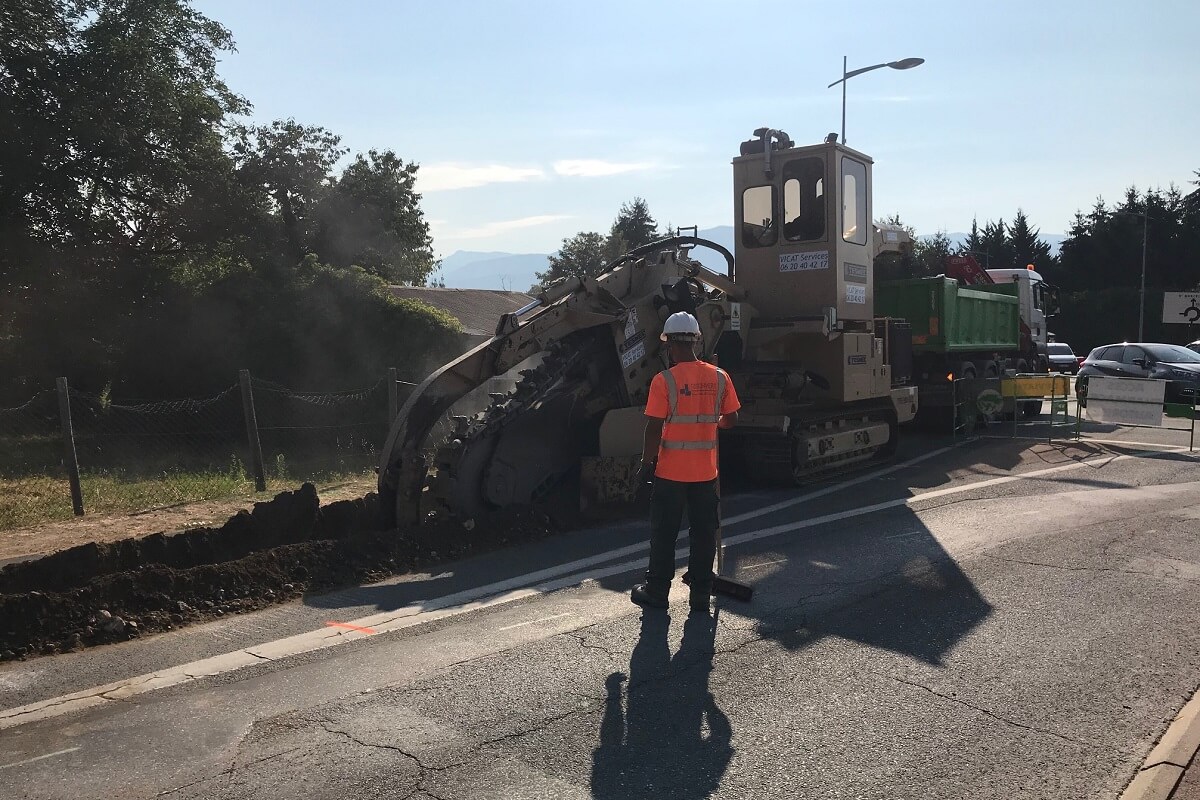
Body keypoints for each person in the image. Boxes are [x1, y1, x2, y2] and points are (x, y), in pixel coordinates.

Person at [631, 311, 740, 613]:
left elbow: (654, 427)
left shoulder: (664, 380)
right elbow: (730, 420)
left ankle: (656, 593)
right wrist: (709, 423)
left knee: (664, 535)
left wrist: (646, 463)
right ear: (695, 341)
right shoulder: (719, 377)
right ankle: (700, 597)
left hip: (669, 475)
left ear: (668, 345)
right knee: (704, 535)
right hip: (705, 473)